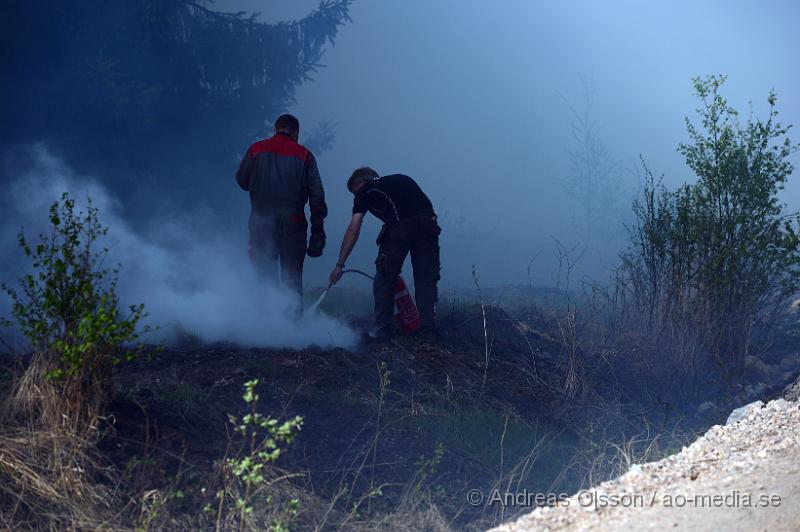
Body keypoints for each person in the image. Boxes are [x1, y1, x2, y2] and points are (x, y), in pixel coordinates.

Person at [329, 167, 441, 340]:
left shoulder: (365, 190)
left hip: (399, 227)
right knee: (426, 279)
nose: (356, 197)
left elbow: (354, 228)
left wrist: (339, 265)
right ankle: (428, 332)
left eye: (354, 192)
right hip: (429, 224)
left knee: (384, 277)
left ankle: (382, 330)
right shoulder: (403, 177)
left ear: (361, 182)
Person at [236, 114, 327, 312]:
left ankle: (266, 324)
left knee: (263, 273)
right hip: (293, 221)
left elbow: (242, 181)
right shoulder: (305, 155)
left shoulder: (255, 149)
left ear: (274, 129)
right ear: (296, 133)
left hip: (260, 220)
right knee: (291, 276)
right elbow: (317, 197)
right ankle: (292, 330)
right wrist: (318, 234)